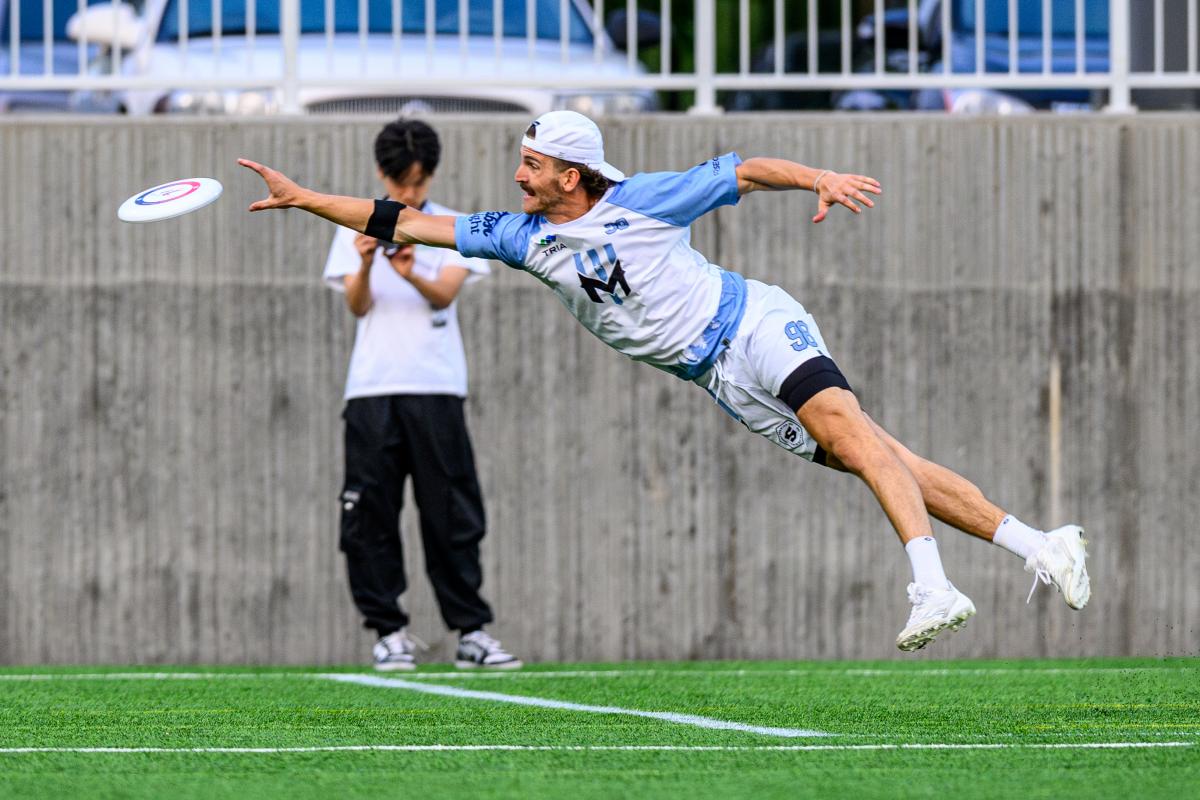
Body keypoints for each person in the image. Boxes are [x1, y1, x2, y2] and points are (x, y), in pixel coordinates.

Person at [241, 111, 1090, 653]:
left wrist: (820, 178)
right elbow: (399, 220)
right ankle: (1041, 546)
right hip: (719, 377)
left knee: (848, 431)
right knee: (884, 457)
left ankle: (932, 586)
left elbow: (746, 171)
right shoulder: (517, 237)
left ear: (570, 175)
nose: (518, 175)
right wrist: (304, 197)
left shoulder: (645, 199)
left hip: (754, 323)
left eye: (531, 164)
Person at [322, 118, 520, 671]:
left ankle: (472, 632)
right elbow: (357, 305)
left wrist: (410, 271)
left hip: (437, 385)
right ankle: (389, 632)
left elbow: (445, 294)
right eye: (400, 182)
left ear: (432, 175)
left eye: (418, 182)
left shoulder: (450, 226)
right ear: (381, 174)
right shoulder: (353, 224)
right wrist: (366, 260)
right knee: (370, 515)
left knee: (452, 513)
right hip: (373, 389)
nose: (409, 193)